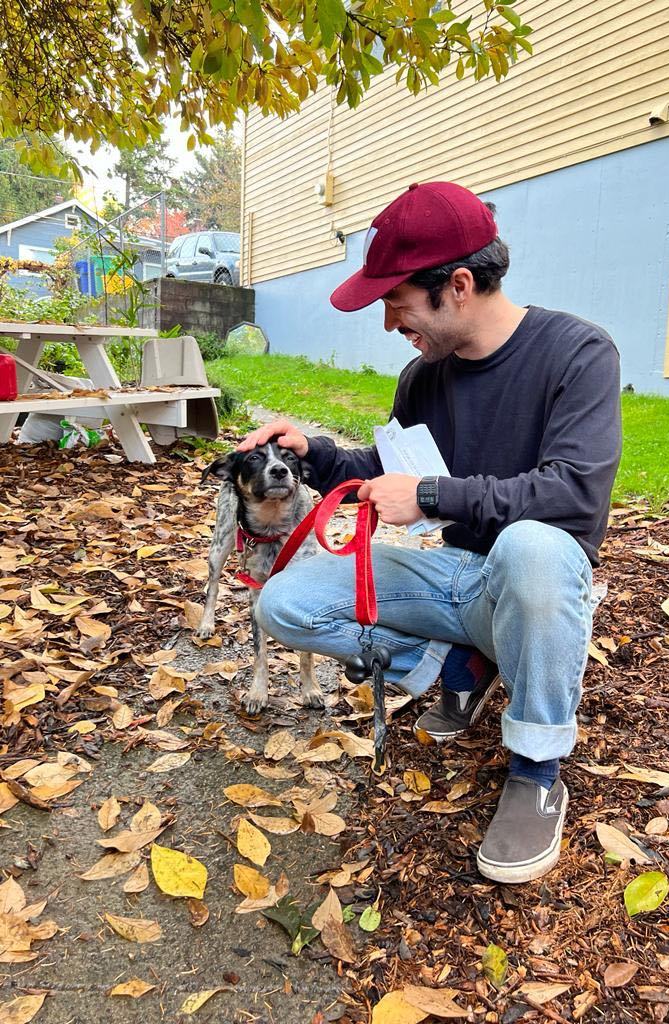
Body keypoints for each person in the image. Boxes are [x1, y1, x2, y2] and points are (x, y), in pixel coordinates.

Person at [238, 181, 622, 884]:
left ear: (461, 284)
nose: (389, 322)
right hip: (453, 580)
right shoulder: (424, 378)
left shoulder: (577, 353)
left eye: (397, 301)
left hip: (534, 576)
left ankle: (537, 772)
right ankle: (462, 665)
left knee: (532, 545)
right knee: (283, 603)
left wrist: (432, 494)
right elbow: (386, 468)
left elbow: (572, 491)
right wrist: (310, 450)